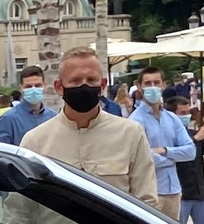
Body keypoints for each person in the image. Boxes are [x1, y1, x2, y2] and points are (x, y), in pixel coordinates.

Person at [20, 47, 153, 200]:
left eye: (91, 80)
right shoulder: (35, 142)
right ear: (59, 87)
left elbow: (146, 199)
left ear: (102, 85)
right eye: (75, 80)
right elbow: (21, 209)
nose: (84, 86)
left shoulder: (130, 134)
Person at [129, 67, 195, 220]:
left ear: (163, 85)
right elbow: (144, 158)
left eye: (156, 82)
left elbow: (190, 151)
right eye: (147, 83)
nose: (152, 87)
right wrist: (173, 159)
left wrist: (164, 150)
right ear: (139, 87)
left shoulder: (172, 118)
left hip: (173, 191)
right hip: (150, 192)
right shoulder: (135, 121)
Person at [171, 89, 204, 224]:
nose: (187, 116)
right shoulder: (168, 136)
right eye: (182, 113)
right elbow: (179, 154)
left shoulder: (191, 133)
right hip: (180, 196)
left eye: (188, 112)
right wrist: (196, 139)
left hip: (200, 195)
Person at [0, 69, 50, 145]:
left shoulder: (53, 117)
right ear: (21, 88)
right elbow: (1, 153)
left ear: (45, 86)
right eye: (28, 86)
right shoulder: (8, 120)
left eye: (37, 85)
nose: (33, 89)